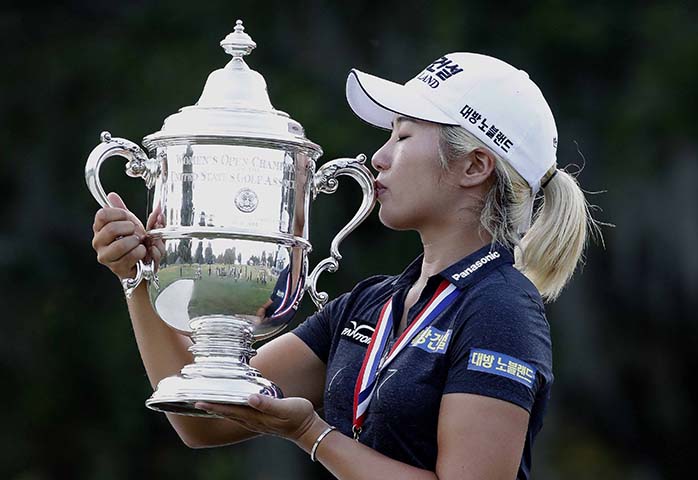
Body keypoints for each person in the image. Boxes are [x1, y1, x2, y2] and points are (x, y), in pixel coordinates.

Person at [91, 52, 599, 479]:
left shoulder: (500, 306)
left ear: (474, 166)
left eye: (403, 136)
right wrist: (137, 279)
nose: (379, 157)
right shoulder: (368, 303)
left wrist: (310, 434)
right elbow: (203, 420)